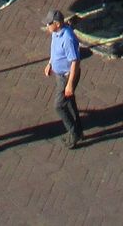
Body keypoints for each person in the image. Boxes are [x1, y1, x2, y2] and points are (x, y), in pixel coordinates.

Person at [42, 9, 84, 147]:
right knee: (70, 102)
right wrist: (50, 63)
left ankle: (73, 133)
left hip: (67, 77)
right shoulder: (56, 33)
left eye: (49, 23)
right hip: (59, 75)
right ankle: (79, 131)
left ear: (57, 24)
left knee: (59, 106)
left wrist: (70, 84)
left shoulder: (67, 39)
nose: (47, 26)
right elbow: (55, 50)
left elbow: (75, 61)